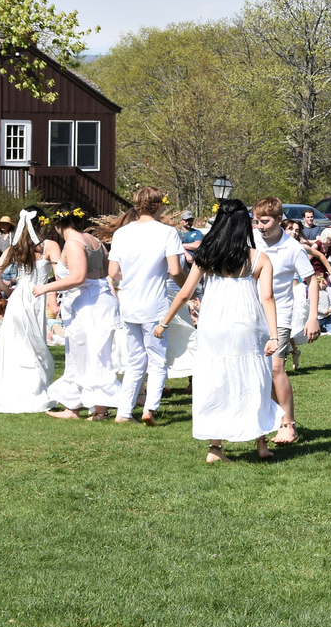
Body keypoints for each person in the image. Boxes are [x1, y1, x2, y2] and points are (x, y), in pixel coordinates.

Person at [152, 199, 281, 462]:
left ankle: (215, 448)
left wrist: (164, 322)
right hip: (248, 325)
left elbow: (185, 292)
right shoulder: (258, 258)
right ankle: (261, 444)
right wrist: (275, 334)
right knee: (255, 379)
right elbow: (267, 298)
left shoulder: (206, 255)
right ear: (246, 225)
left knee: (214, 380)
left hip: (214, 325)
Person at [108, 186, 186, 425]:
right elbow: (174, 270)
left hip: (129, 303)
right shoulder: (167, 232)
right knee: (156, 358)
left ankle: (123, 411)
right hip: (154, 304)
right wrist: (188, 289)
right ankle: (149, 408)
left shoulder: (121, 233)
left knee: (135, 359)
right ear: (160, 205)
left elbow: (113, 272)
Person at [41, 206, 123, 419]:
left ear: (58, 225)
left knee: (87, 356)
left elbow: (78, 277)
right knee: (92, 355)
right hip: (98, 301)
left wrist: (45, 288)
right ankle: (86, 408)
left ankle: (87, 409)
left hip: (88, 305)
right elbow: (107, 274)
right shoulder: (95, 241)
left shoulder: (73, 243)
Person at [252, 198, 320, 445]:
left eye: (265, 221)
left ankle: (288, 424)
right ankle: (266, 421)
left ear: (280, 220)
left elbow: (311, 280)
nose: (260, 226)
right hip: (252, 314)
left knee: (275, 368)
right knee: (259, 372)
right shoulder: (251, 240)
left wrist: (312, 317)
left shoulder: (293, 248)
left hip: (279, 314)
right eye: (256, 221)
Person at [0, 210, 55, 413]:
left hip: (19, 297)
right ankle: (32, 389)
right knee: (34, 343)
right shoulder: (49, 245)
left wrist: (9, 291)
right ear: (41, 225)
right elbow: (61, 273)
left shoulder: (14, 247)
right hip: (38, 295)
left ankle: (12, 386)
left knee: (15, 342)